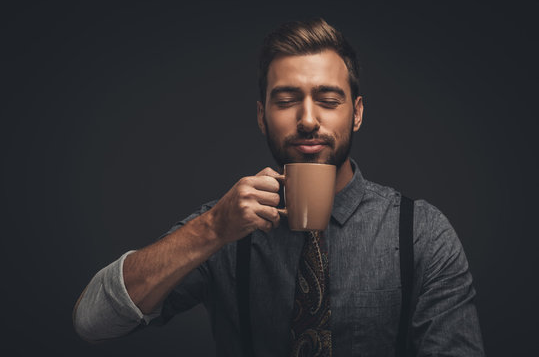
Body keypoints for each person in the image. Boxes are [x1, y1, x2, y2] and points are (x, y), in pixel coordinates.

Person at [73, 18, 485, 356]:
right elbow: (93, 321)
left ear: (356, 114)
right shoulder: (224, 225)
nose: (307, 119)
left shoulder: (421, 233)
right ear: (261, 116)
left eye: (328, 99)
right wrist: (213, 229)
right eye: (286, 99)